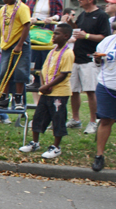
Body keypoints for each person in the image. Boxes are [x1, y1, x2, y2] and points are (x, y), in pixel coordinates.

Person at [18, 24, 75, 159]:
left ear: (66, 36)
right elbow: (43, 70)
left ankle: (56, 147)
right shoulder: (52, 52)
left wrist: (49, 85)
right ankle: (35, 142)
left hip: (59, 93)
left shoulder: (68, 53)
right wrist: (43, 85)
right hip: (46, 92)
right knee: (38, 117)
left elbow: (64, 74)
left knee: (58, 119)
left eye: (57, 34)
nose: (53, 36)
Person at [66, 0, 111, 135]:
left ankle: (93, 121)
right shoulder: (83, 15)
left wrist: (87, 36)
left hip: (90, 58)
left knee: (91, 91)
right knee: (74, 90)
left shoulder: (101, 16)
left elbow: (105, 37)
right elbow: (78, 31)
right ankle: (75, 119)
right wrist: (70, 23)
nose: (79, 0)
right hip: (76, 56)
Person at [91, 7, 116, 173]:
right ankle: (99, 155)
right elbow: (98, 62)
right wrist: (97, 59)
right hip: (107, 86)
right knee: (106, 120)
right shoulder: (108, 41)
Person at [0, 0, 32, 110]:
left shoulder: (22, 8)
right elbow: (1, 27)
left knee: (20, 72)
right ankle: (4, 97)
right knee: (4, 72)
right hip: (6, 45)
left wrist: (20, 44)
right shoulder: (2, 9)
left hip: (20, 44)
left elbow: (27, 25)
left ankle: (18, 99)